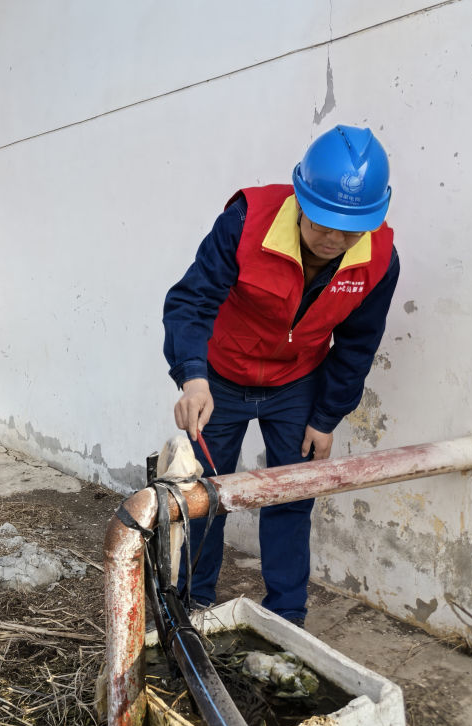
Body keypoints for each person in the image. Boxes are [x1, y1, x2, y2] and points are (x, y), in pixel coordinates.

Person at [162, 125, 400, 626]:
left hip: (297, 383)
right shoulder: (246, 222)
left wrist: (326, 416)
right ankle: (193, 607)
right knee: (205, 495)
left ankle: (287, 617)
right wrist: (193, 377)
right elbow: (191, 301)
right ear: (300, 198)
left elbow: (358, 344)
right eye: (322, 223)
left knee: (292, 493)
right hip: (221, 378)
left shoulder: (379, 259)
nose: (334, 239)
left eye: (350, 229)